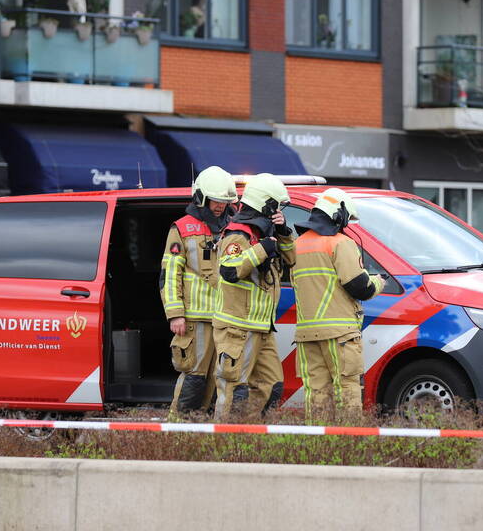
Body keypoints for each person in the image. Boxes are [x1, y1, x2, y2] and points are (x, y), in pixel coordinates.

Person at [292, 189, 384, 413]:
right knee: (347, 391)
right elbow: (359, 287)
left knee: (316, 395)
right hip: (340, 333)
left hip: (307, 333)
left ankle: (317, 445)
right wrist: (379, 282)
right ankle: (348, 444)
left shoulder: (298, 245)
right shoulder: (340, 243)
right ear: (338, 215)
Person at [212, 173, 295, 419]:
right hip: (237, 327)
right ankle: (224, 443)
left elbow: (292, 260)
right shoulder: (238, 234)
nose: (278, 210)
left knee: (271, 386)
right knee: (233, 387)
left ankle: (249, 438)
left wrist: (282, 230)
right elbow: (229, 270)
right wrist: (261, 250)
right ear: (265, 204)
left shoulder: (265, 232)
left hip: (261, 327)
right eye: (276, 206)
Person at [160, 166, 238, 414]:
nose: (220, 207)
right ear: (202, 197)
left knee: (221, 381)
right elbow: (170, 274)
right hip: (195, 318)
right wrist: (175, 314)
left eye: (225, 202)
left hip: (225, 318)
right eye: (216, 201)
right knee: (194, 378)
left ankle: (203, 434)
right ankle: (179, 429)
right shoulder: (181, 228)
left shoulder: (233, 227)